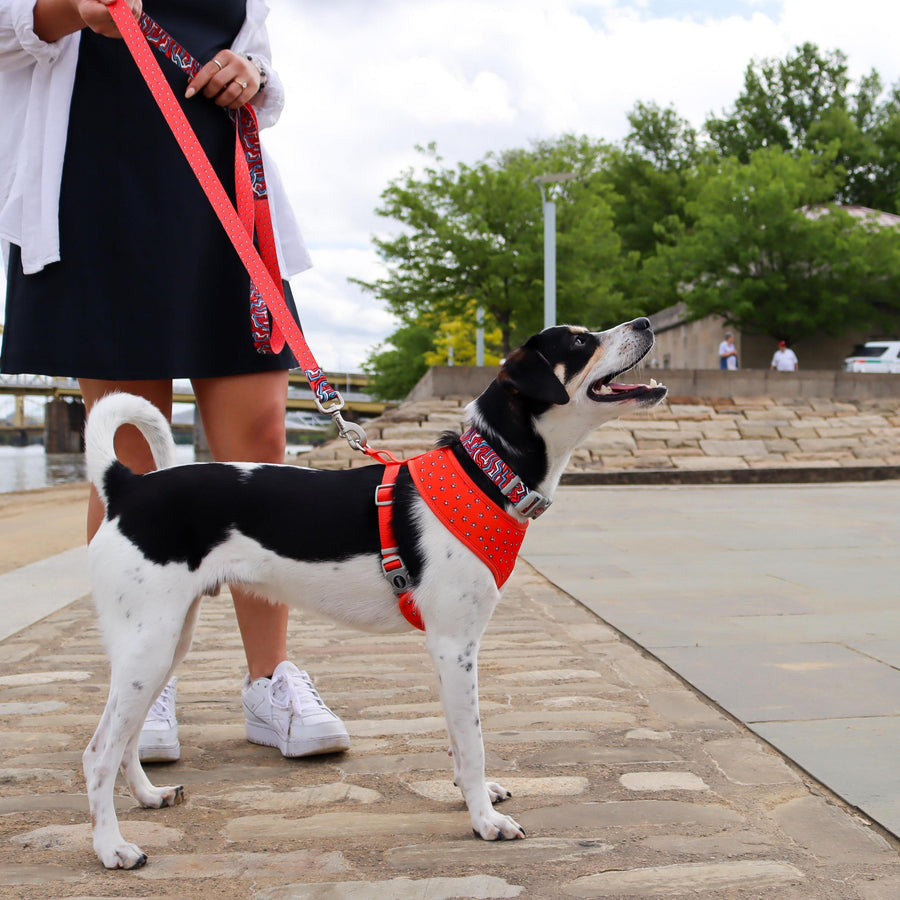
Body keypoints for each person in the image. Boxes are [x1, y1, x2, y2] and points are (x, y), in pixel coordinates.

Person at [0, 0, 349, 762]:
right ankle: (144, 684)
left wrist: (251, 75)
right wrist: (67, 10)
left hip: (221, 190)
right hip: (98, 178)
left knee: (259, 438)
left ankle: (270, 681)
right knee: (129, 451)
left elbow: (265, 71)